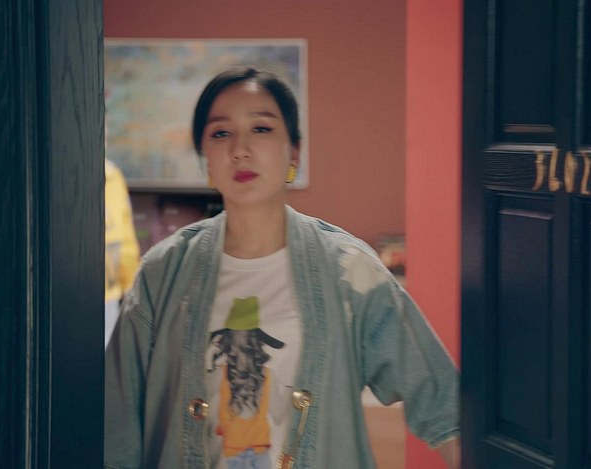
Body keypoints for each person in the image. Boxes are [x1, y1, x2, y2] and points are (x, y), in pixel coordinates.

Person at [104, 66, 460, 469]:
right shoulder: (162, 273)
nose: (240, 149)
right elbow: (116, 429)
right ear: (206, 157)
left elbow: (443, 404)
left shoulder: (349, 270)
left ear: (294, 152)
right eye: (221, 133)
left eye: (261, 129)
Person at [104, 157, 140, 349]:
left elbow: (126, 238)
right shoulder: (111, 175)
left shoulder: (113, 176)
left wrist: (129, 286)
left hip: (109, 292)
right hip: (102, 287)